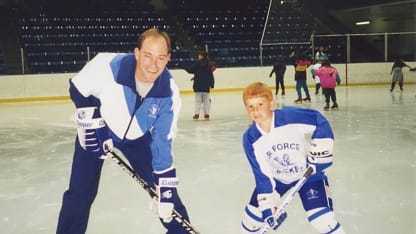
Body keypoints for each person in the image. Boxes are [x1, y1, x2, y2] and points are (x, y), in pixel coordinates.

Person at [56, 28, 192, 234]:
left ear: (168, 59)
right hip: (98, 130)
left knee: (166, 194)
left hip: (137, 139)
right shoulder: (108, 65)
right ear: (137, 53)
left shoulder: (169, 92)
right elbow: (77, 87)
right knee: (81, 193)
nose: (153, 64)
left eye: (160, 58)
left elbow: (163, 141)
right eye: (148, 56)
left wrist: (165, 185)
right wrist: (90, 118)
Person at [240, 82, 345, 234]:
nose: (255, 110)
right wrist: (269, 207)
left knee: (322, 220)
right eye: (250, 106)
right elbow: (262, 175)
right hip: (276, 181)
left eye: (260, 104)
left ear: (271, 104)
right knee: (252, 221)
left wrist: (321, 152)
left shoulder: (289, 117)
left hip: (309, 174)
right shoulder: (250, 138)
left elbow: (318, 120)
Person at [184, 51, 215, 120]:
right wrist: (212, 84)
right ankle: (207, 114)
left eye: (199, 55)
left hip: (198, 85)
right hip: (206, 85)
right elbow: (210, 75)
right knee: (206, 100)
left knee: (197, 100)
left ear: (201, 56)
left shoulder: (197, 63)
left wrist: (184, 67)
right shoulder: (208, 64)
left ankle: (196, 114)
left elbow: (190, 70)